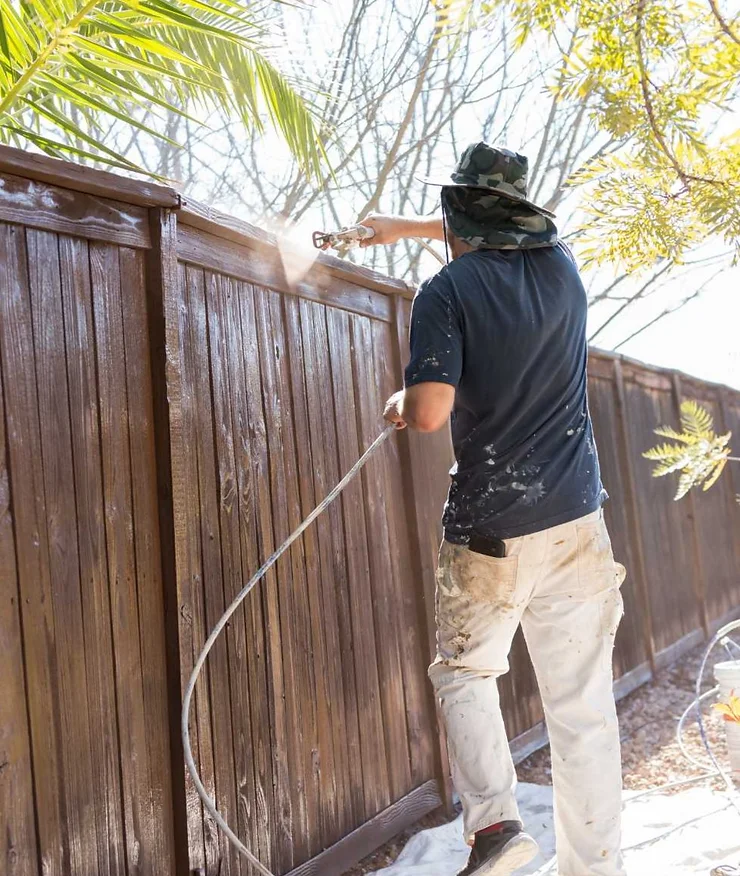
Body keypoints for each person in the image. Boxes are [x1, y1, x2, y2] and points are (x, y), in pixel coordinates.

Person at [367, 142, 627, 876]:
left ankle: (495, 828)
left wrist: (400, 400)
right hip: (579, 522)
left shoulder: (446, 292)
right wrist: (403, 228)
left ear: (457, 212)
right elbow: (498, 230)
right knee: (581, 715)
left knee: (465, 675)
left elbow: (426, 414)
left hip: (492, 532)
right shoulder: (564, 272)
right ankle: (596, 868)